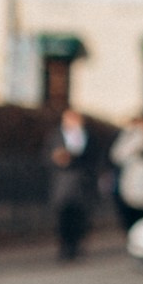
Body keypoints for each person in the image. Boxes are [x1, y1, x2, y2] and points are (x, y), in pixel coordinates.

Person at [47, 106, 96, 260]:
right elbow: (46, 156)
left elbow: (95, 159)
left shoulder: (89, 136)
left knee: (80, 216)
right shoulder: (55, 136)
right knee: (63, 216)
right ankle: (64, 247)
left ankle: (76, 245)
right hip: (63, 183)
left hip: (82, 183)